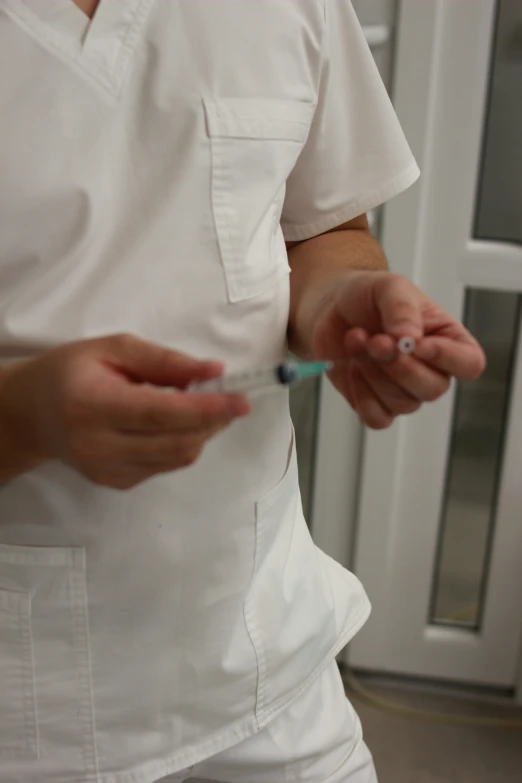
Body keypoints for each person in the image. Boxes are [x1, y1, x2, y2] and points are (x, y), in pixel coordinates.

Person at [0, 1, 485, 782]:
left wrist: (342, 299)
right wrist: (19, 417)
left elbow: (324, 227)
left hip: (269, 656)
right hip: (28, 716)